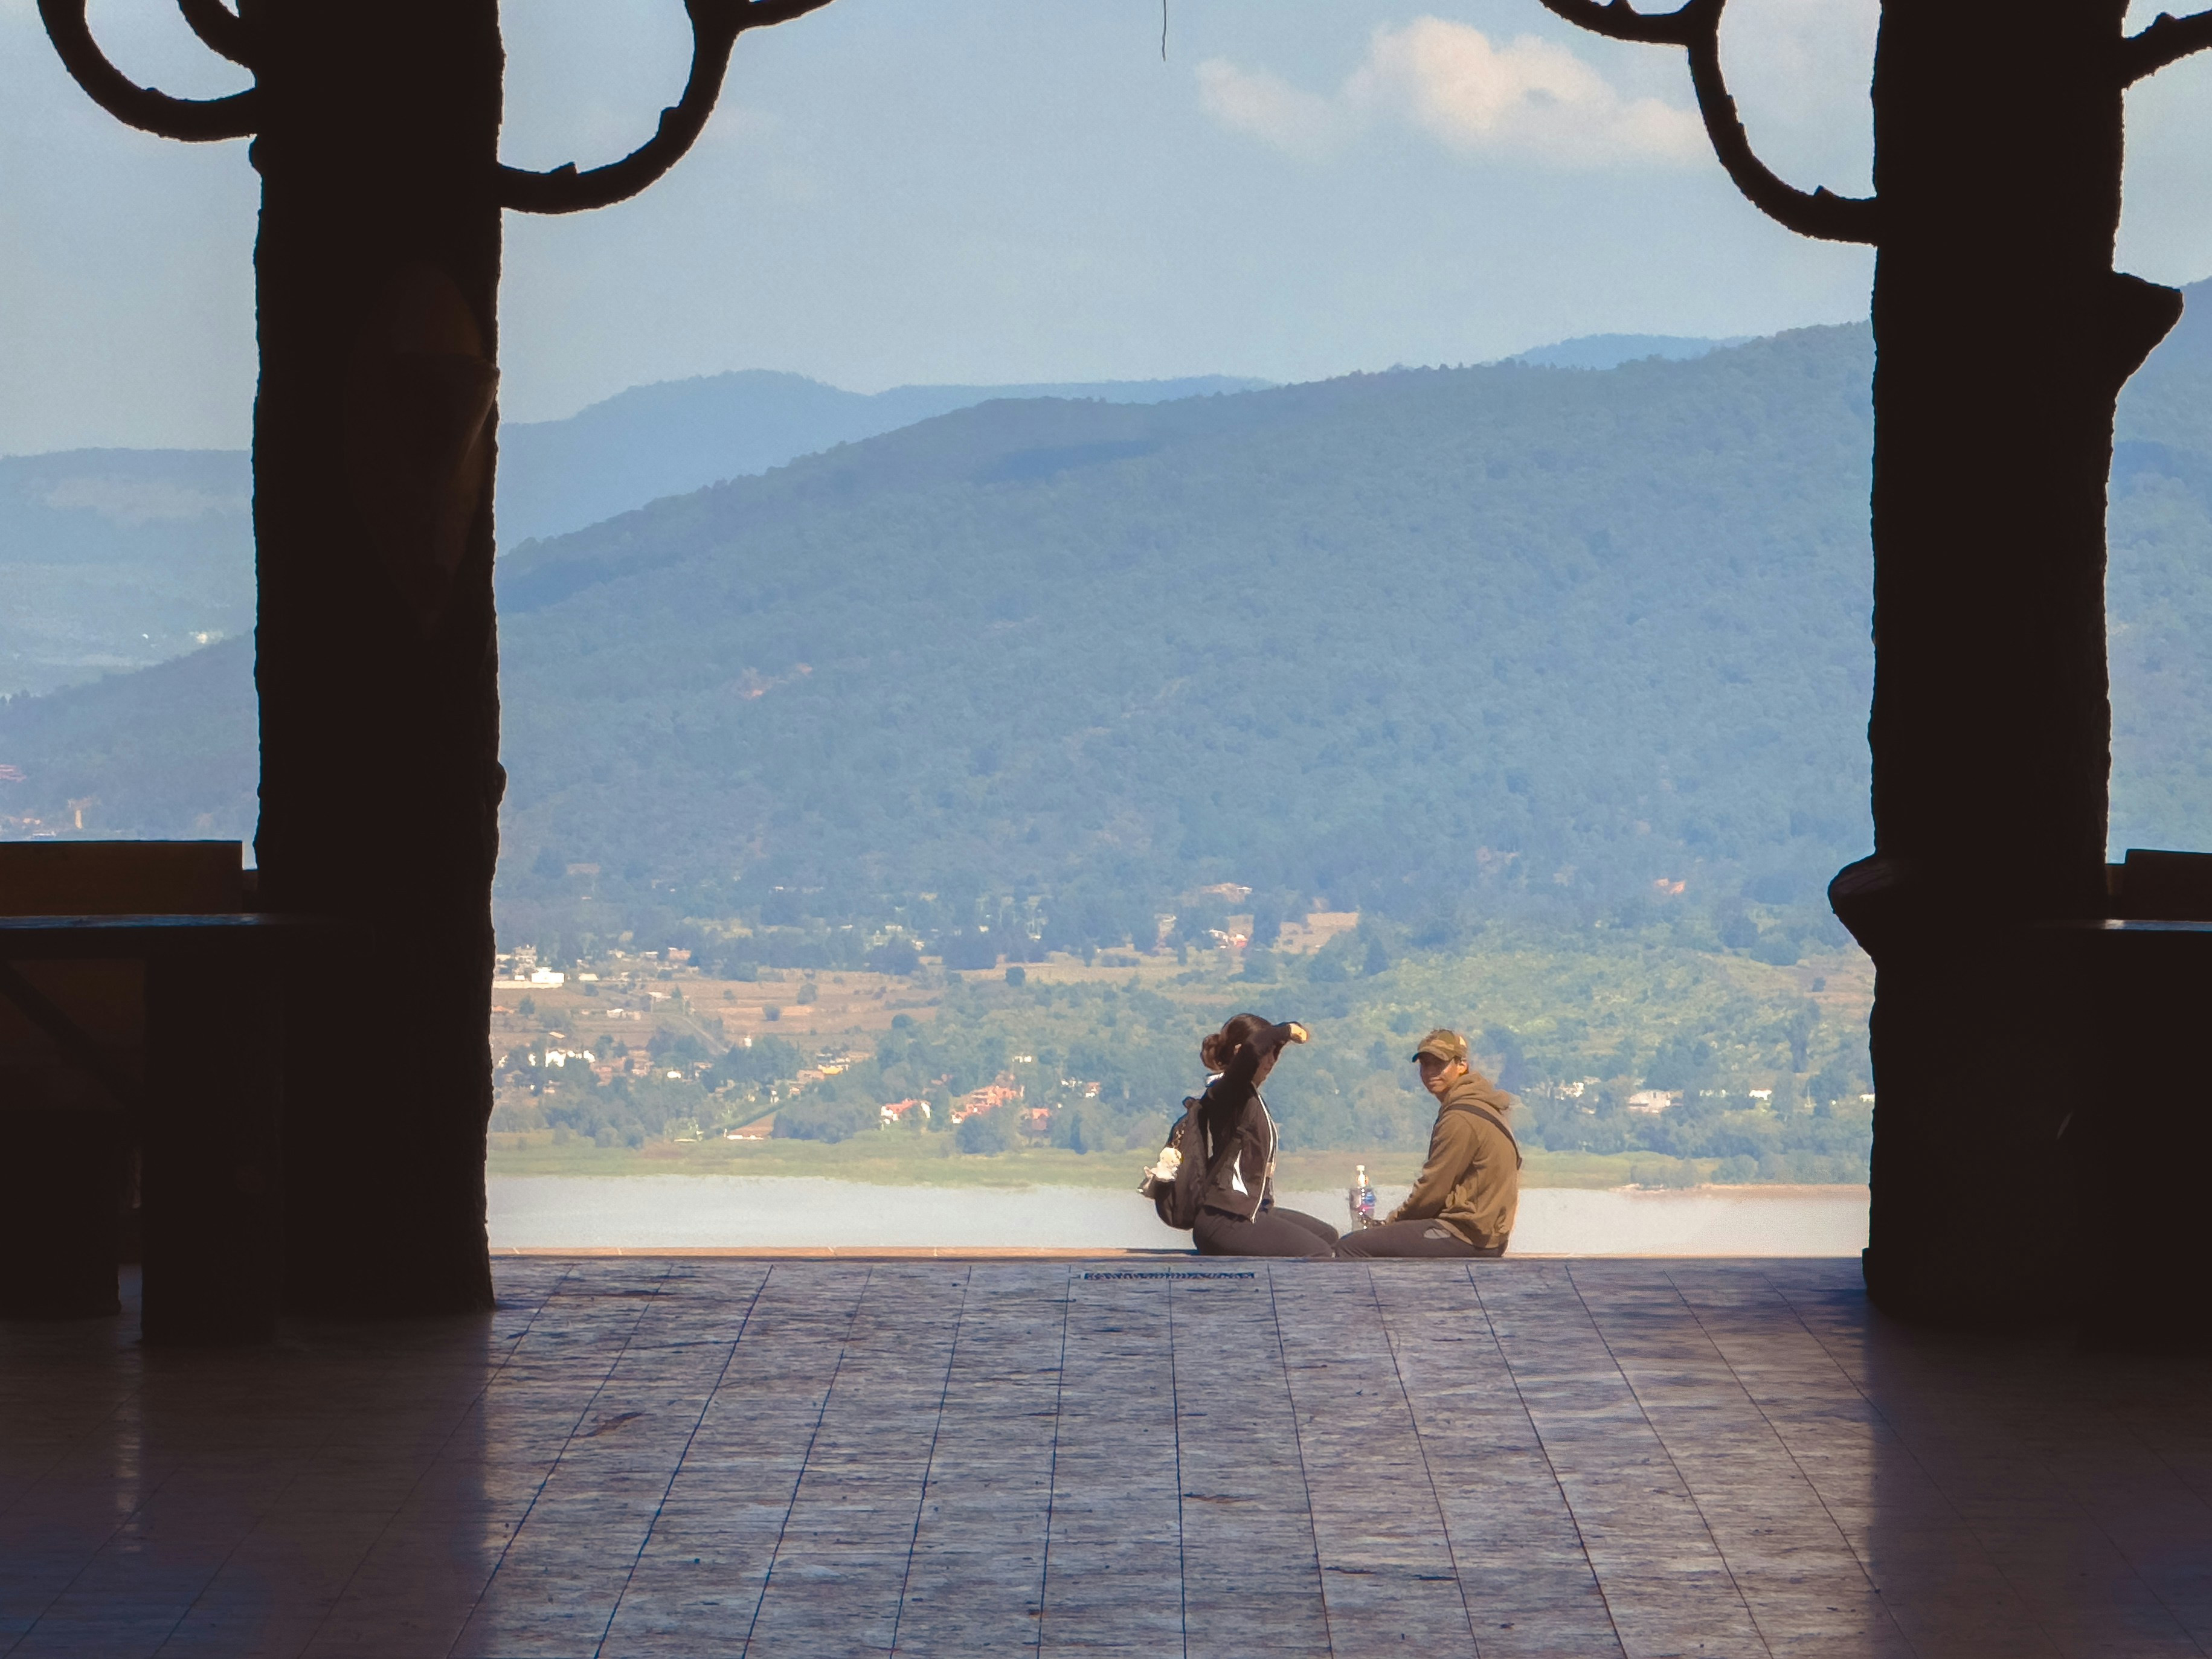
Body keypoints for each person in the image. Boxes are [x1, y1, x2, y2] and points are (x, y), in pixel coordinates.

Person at [1336, 1028, 1520, 1259]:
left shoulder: (1460, 1117)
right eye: (1425, 1064)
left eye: (1439, 1064)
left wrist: (1391, 1223)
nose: (1431, 1072)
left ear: (1461, 1065)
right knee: (1380, 1240)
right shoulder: (1480, 1104)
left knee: (1351, 1246)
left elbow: (1433, 1190)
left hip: (1467, 1235)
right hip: (1487, 1235)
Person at [1188, 1013, 1340, 1259]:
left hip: (1253, 1210)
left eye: (1275, 1054)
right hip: (1225, 1219)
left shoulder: (1247, 1096)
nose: (1271, 1061)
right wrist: (1287, 1030)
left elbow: (1255, 1048)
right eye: (1267, 1053)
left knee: (1328, 1236)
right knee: (1319, 1252)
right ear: (1240, 1053)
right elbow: (1253, 1048)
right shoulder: (1227, 1091)